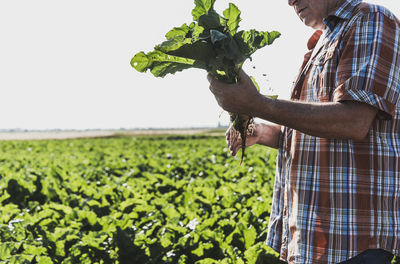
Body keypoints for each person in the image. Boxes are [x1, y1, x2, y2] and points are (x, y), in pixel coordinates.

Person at [207, 0, 400, 263]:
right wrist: (262, 132)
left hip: (351, 237)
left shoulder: (370, 19)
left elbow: (353, 122)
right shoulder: (321, 41)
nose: (290, 1)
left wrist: (256, 104)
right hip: (313, 235)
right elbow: (313, 133)